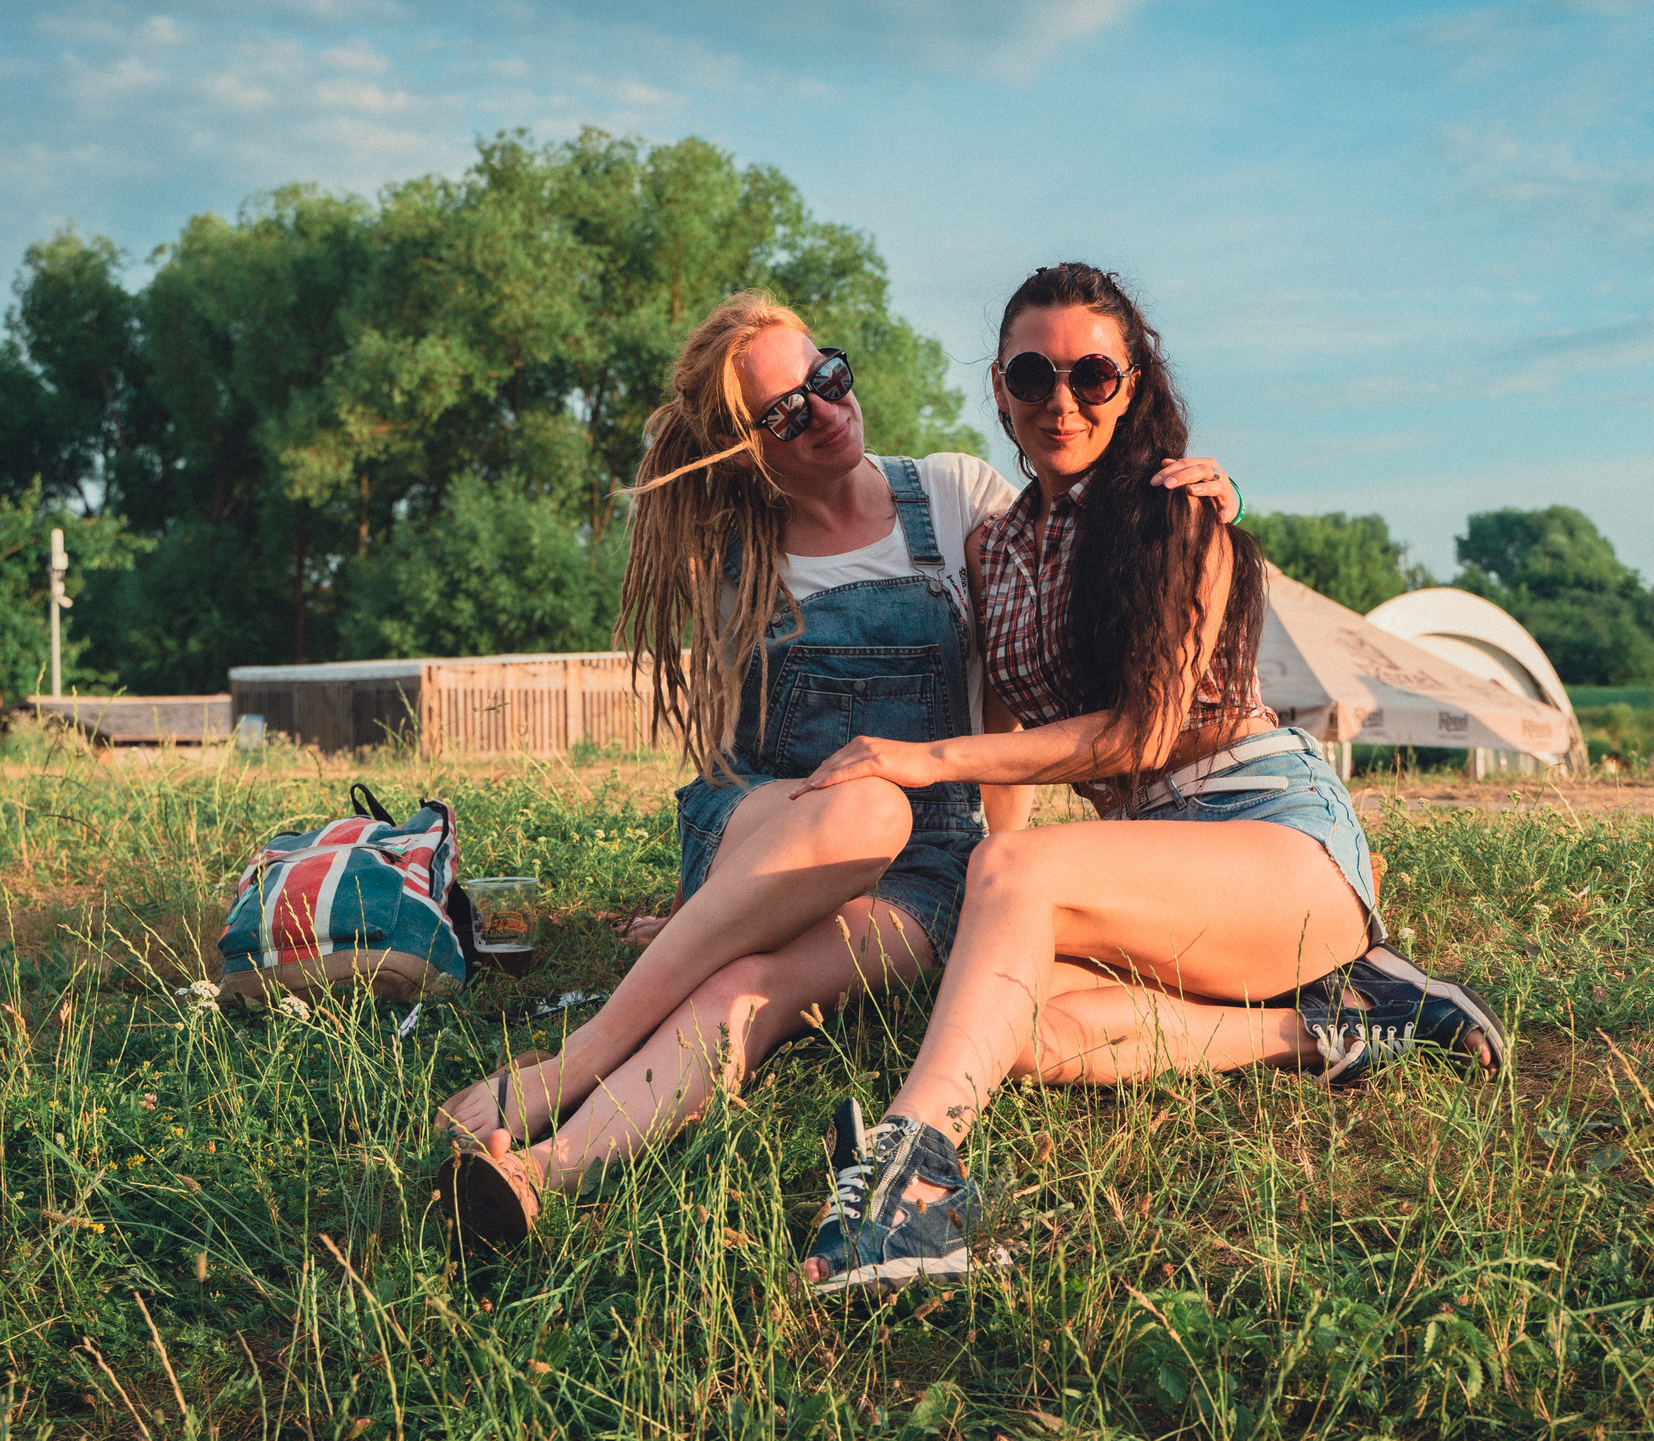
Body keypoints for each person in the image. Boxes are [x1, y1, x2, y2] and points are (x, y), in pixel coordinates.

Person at [432, 291, 1236, 1241]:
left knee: (750, 990)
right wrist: (728, 896)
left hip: (924, 870)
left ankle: (538, 1173)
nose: (823, 407)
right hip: (768, 825)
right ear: (745, 447)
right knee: (863, 810)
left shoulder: (950, 495)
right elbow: (732, 751)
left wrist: (1178, 505)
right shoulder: (731, 550)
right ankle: (583, 1054)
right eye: (784, 411)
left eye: (827, 376)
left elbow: (1031, 640)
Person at [787, 263, 1508, 1292]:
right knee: (1010, 1024)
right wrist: (997, 860)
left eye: (1092, 374)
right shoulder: (994, 547)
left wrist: (932, 770)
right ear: (999, 386)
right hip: (1143, 873)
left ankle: (913, 1182)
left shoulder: (1176, 512)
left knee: (1014, 888)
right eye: (1033, 375)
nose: (1062, 400)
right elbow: (1003, 723)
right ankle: (1337, 1023)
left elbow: (1139, 733)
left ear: (1133, 383)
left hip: (1270, 837)